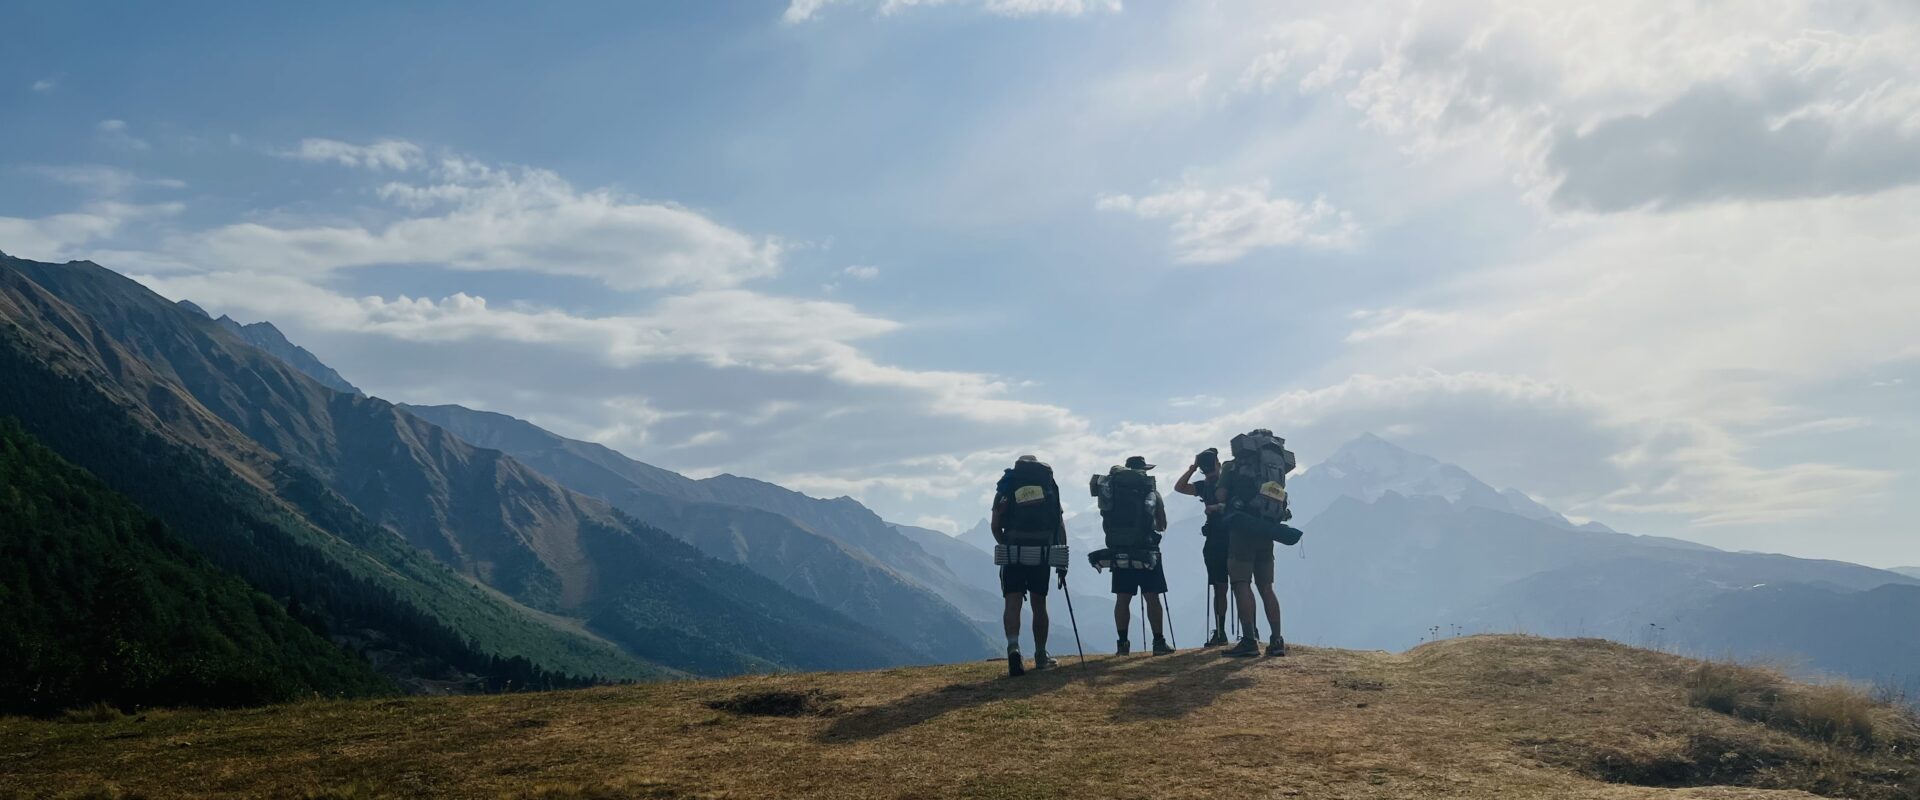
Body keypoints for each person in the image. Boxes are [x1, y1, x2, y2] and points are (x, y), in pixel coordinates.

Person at [991, 454, 1068, 676]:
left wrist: (1005, 543)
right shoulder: (1048, 486)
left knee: (1012, 601)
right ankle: (1041, 654)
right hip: (1042, 552)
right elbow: (1059, 525)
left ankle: (1014, 648)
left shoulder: (1008, 485)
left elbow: (996, 525)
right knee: (1039, 604)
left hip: (1014, 551)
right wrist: (1061, 559)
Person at [1215, 439, 1287, 658]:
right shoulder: (1275, 467)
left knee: (1241, 583)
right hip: (1266, 529)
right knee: (1266, 587)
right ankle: (1277, 641)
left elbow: (1221, 496)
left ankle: (1249, 640)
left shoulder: (1232, 466)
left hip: (1242, 531)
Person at [1101, 456, 1171, 656]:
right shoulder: (1151, 491)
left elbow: (1106, 522)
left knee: (1122, 598)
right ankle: (1159, 642)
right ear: (1143, 472)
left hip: (1121, 551)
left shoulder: (1113, 492)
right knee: (1152, 597)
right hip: (1146, 551)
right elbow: (1161, 524)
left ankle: (1122, 644)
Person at [1174, 447, 1231, 646]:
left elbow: (1179, 487)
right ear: (1218, 463)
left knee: (1219, 587)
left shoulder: (1203, 486)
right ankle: (1250, 631)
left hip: (1214, 541)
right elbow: (1179, 488)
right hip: (1234, 539)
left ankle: (1221, 631)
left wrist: (1193, 468)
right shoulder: (1229, 482)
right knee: (1242, 586)